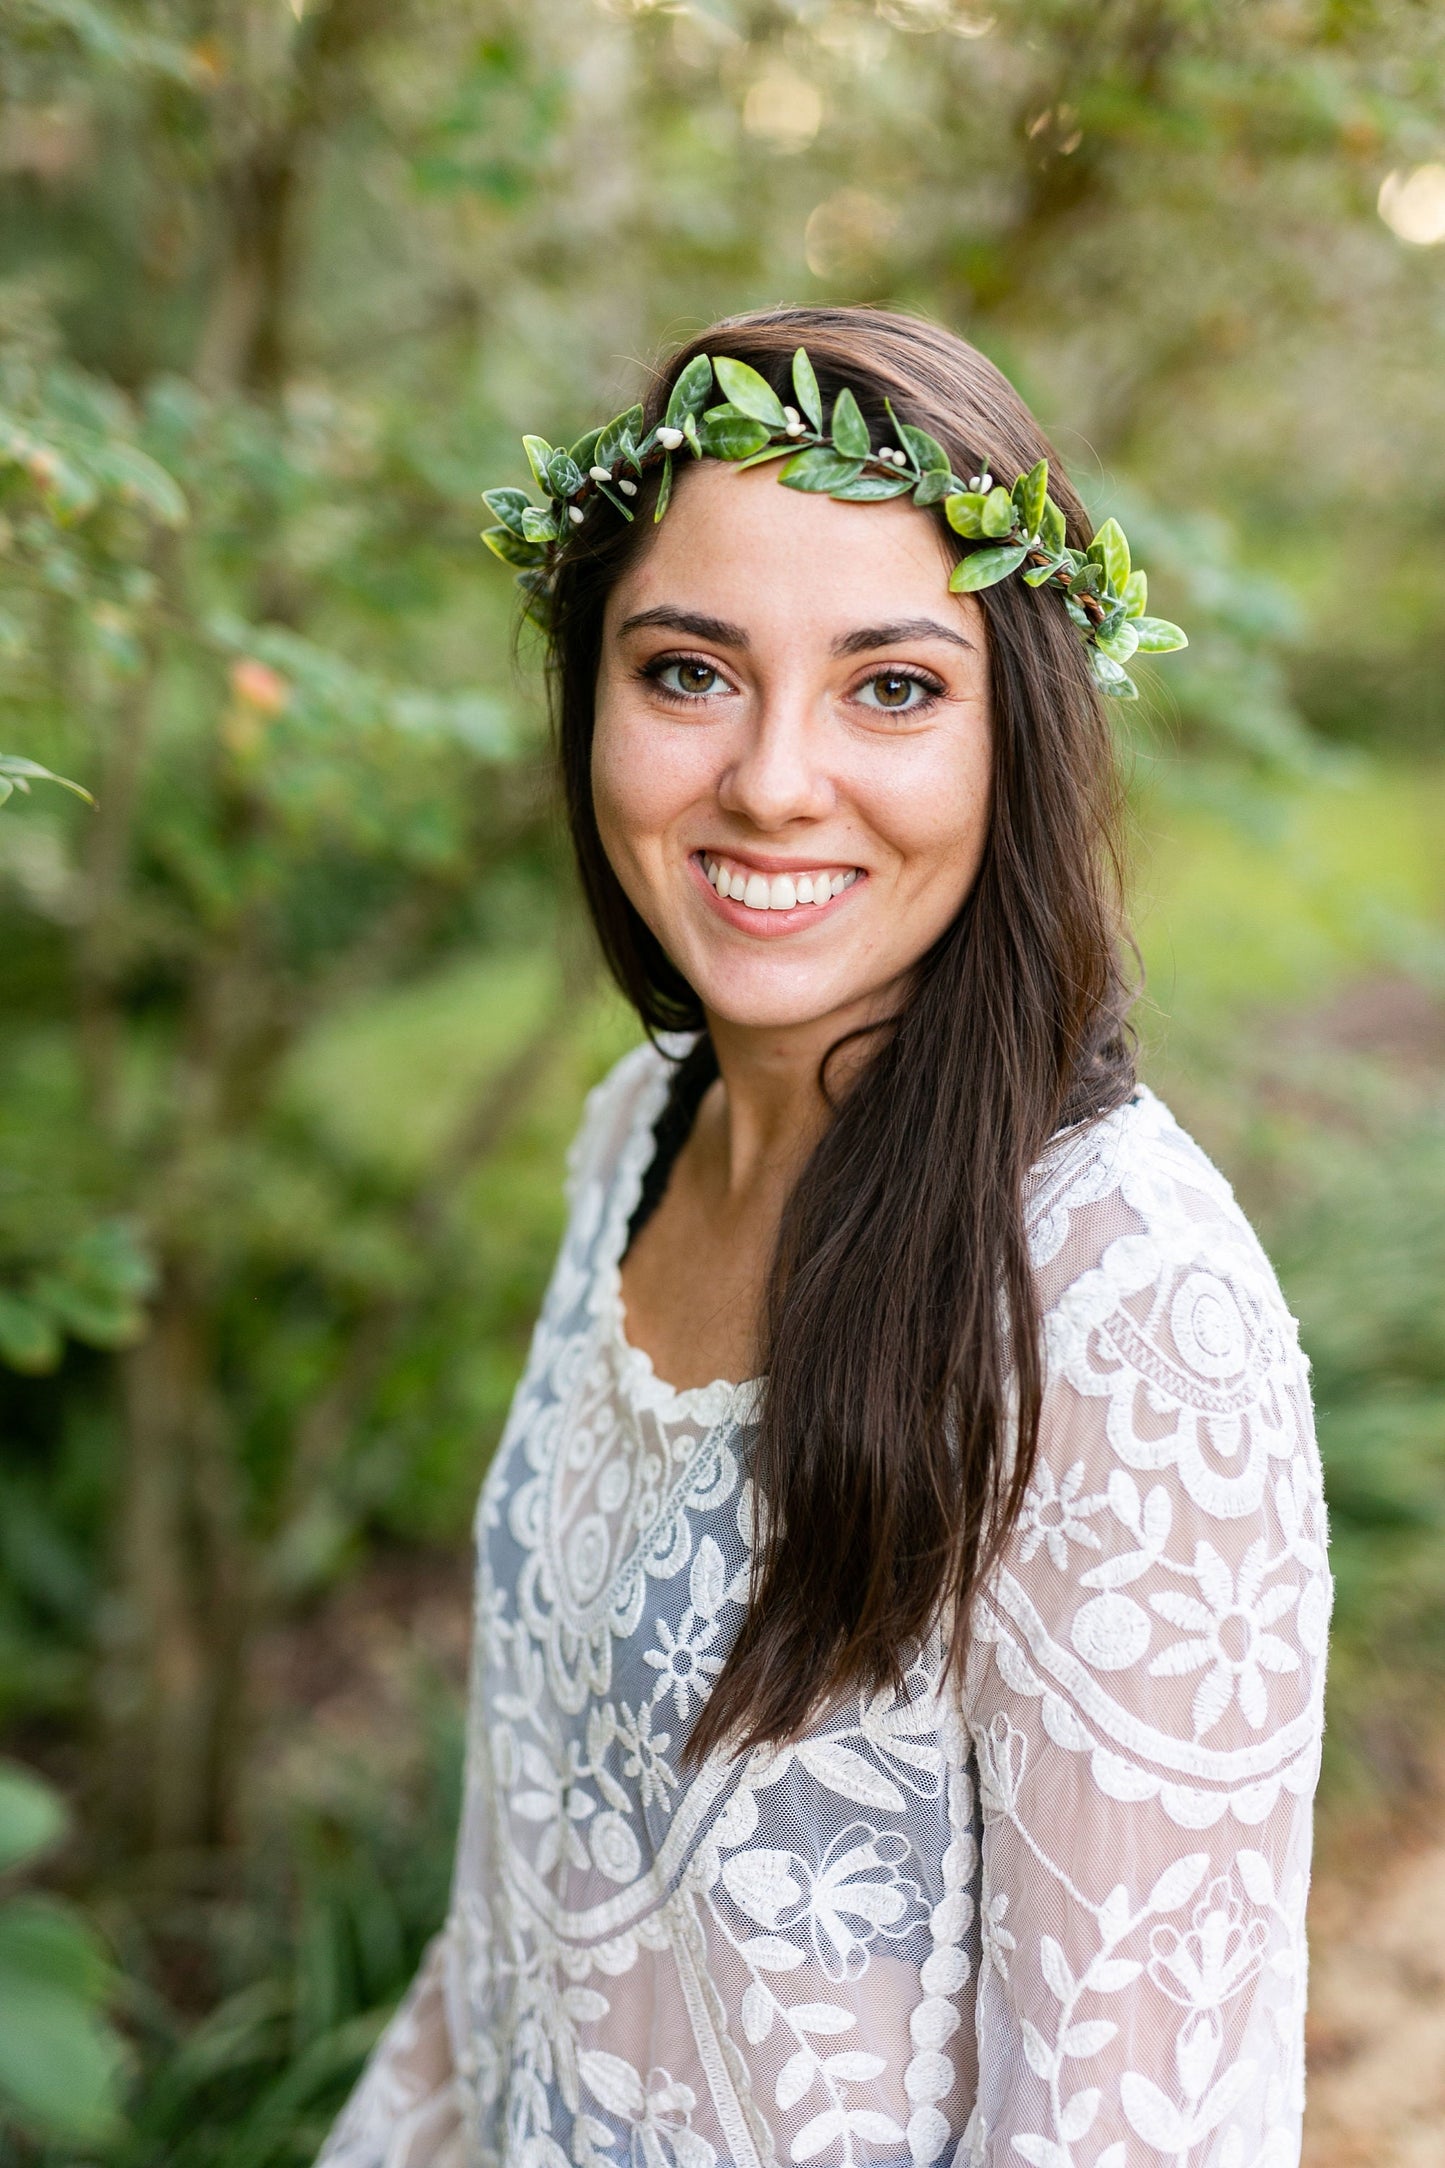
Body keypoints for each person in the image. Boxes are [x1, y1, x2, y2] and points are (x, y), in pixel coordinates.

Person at [315, 307, 1330, 2168]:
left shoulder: (1120, 1302)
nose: (774, 781)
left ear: (1016, 728)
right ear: (590, 702)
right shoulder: (638, 1132)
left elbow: (1131, 2131)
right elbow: (517, 1915)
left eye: (889, 687)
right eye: (689, 671)